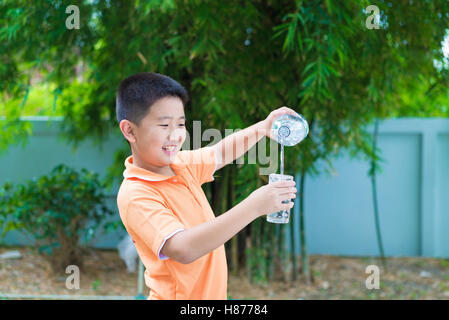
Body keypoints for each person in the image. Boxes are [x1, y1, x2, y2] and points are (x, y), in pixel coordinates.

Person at [116, 72, 297, 300]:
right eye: (164, 125)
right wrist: (254, 206)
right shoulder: (136, 193)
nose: (176, 135)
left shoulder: (180, 165)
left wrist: (262, 128)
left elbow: (220, 152)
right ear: (130, 130)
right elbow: (183, 248)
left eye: (181, 124)